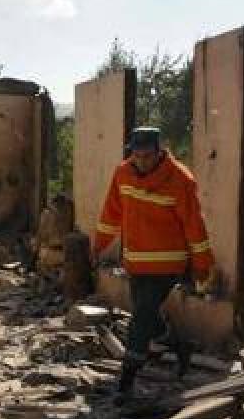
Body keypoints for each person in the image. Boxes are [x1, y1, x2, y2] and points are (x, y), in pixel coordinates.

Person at [91, 126, 215, 404]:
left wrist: (202, 264)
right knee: (147, 318)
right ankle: (179, 346)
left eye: (147, 156)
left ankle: (125, 382)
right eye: (136, 155)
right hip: (136, 264)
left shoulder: (180, 179)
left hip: (168, 265)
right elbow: (111, 214)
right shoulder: (122, 174)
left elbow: (195, 226)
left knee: (139, 323)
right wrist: (98, 245)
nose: (141, 161)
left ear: (159, 152)